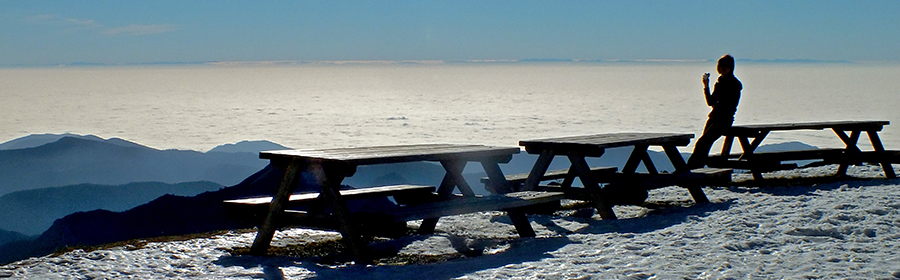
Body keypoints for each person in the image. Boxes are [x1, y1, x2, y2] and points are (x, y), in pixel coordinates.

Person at [686, 54, 742, 169]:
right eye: (720, 66)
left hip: (723, 119)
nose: (722, 69)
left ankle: (690, 169)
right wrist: (706, 86)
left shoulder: (734, 84)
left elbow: (726, 103)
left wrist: (718, 102)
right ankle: (694, 169)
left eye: (725, 66)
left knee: (703, 143)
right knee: (703, 144)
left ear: (730, 68)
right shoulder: (720, 82)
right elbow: (711, 101)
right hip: (714, 117)